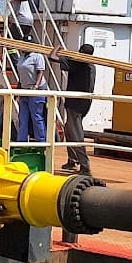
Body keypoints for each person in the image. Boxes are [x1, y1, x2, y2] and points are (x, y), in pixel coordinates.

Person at [59, 43, 96, 173]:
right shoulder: (91, 66)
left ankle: (85, 166)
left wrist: (57, 51)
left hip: (75, 104)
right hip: (84, 104)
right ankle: (72, 160)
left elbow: (54, 57)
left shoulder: (79, 65)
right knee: (68, 130)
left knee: (76, 133)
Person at [14, 48, 47, 143]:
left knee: (36, 117)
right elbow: (21, 76)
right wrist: (17, 91)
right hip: (24, 89)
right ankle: (21, 142)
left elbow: (40, 72)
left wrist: (36, 87)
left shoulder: (37, 56)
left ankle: (41, 143)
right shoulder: (22, 57)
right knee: (22, 118)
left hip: (36, 90)